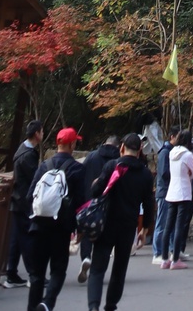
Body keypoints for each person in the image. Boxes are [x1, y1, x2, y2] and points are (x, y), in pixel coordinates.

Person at [84, 132, 155, 311]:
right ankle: (111, 305)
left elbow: (96, 191)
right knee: (119, 269)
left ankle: (93, 306)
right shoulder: (145, 174)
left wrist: (95, 183)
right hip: (128, 226)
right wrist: (144, 229)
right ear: (139, 150)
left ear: (122, 147)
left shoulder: (112, 166)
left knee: (97, 269)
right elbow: (149, 204)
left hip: (107, 223)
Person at [25, 127, 88, 311]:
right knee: (58, 271)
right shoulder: (77, 169)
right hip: (61, 229)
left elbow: (30, 196)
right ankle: (47, 303)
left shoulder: (44, 166)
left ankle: (33, 308)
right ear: (72, 144)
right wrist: (79, 229)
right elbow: (81, 203)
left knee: (37, 275)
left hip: (38, 226)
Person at [5, 119, 44, 287]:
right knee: (28, 238)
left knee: (16, 239)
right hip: (24, 201)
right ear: (37, 134)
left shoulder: (23, 150)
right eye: (42, 131)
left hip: (18, 200)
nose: (43, 134)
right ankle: (33, 275)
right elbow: (35, 178)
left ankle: (11, 274)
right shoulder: (28, 155)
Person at [77, 136, 121, 284]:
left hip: (89, 201)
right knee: (103, 238)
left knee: (87, 232)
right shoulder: (118, 161)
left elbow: (82, 176)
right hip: (108, 204)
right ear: (118, 146)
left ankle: (86, 257)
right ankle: (96, 267)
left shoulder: (91, 156)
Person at [163, 129, 193, 268]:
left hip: (172, 191)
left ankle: (165, 258)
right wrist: (189, 173)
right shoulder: (188, 154)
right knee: (179, 226)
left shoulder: (172, 152)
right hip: (183, 191)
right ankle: (175, 259)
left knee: (168, 226)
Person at [151, 128, 176, 264]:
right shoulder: (165, 152)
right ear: (172, 137)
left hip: (169, 191)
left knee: (169, 222)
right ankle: (157, 252)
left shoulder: (170, 151)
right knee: (161, 222)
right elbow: (164, 172)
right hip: (164, 191)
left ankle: (171, 249)